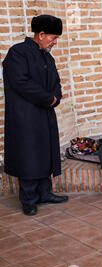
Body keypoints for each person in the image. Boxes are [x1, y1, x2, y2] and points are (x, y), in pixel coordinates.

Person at [2, 14, 68, 216]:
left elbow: (56, 82)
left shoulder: (47, 56)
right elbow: (21, 83)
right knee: (29, 155)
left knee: (45, 153)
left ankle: (45, 193)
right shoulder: (17, 53)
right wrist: (49, 99)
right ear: (40, 34)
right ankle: (29, 199)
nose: (55, 42)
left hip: (45, 114)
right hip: (25, 117)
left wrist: (55, 96)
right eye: (53, 37)